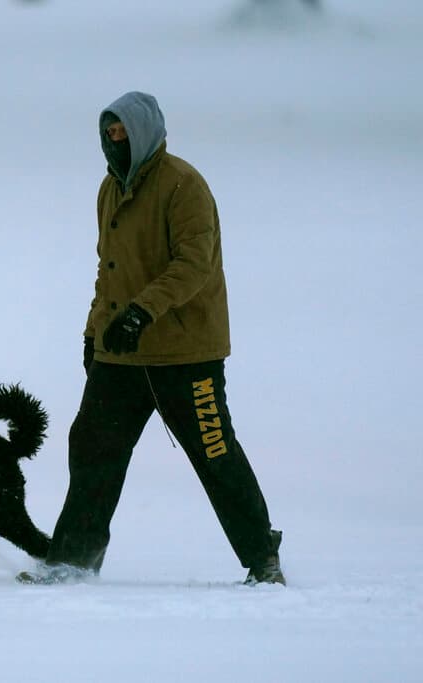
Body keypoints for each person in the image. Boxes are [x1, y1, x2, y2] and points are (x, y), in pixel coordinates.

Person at [20, 91, 285, 586]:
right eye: (108, 133)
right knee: (93, 450)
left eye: (122, 132)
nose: (114, 141)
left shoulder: (184, 185)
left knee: (214, 451)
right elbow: (110, 271)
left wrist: (142, 312)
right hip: (121, 352)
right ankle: (72, 562)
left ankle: (262, 559)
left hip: (187, 353)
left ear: (146, 135)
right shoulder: (109, 190)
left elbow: (193, 265)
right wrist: (94, 332)